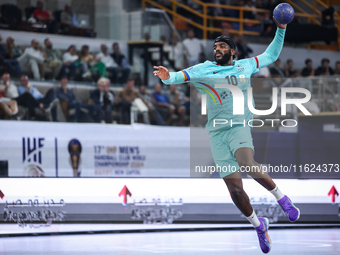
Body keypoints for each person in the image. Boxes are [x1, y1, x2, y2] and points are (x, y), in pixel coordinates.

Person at [153, 17, 300, 254]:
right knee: (236, 191)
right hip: (216, 132)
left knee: (246, 162)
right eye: (215, 47)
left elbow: (271, 55)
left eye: (222, 47)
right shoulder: (204, 69)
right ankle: (259, 225)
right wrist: (166, 75)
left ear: (233, 51)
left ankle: (283, 199)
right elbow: (177, 77)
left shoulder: (245, 65)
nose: (217, 49)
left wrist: (281, 29)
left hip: (239, 125)